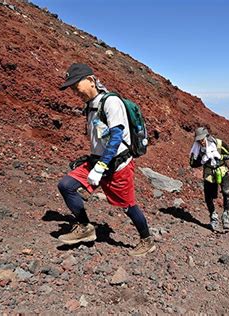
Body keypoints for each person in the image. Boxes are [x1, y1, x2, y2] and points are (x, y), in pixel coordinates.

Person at [57, 63, 155, 257]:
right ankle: (85, 227)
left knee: (128, 206)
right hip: (97, 161)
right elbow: (100, 138)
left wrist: (101, 166)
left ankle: (147, 240)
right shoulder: (90, 106)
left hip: (117, 165)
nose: (75, 90)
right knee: (66, 185)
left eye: (77, 85)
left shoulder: (111, 103)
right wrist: (93, 159)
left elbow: (117, 136)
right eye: (72, 87)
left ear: (91, 80)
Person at [189, 127, 229, 231]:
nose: (201, 142)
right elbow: (192, 163)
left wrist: (220, 157)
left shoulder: (218, 143)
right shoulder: (197, 148)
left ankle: (226, 216)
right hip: (209, 173)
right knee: (209, 196)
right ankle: (213, 217)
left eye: (202, 139)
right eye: (199, 140)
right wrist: (202, 161)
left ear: (207, 136)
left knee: (226, 192)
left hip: (222, 170)